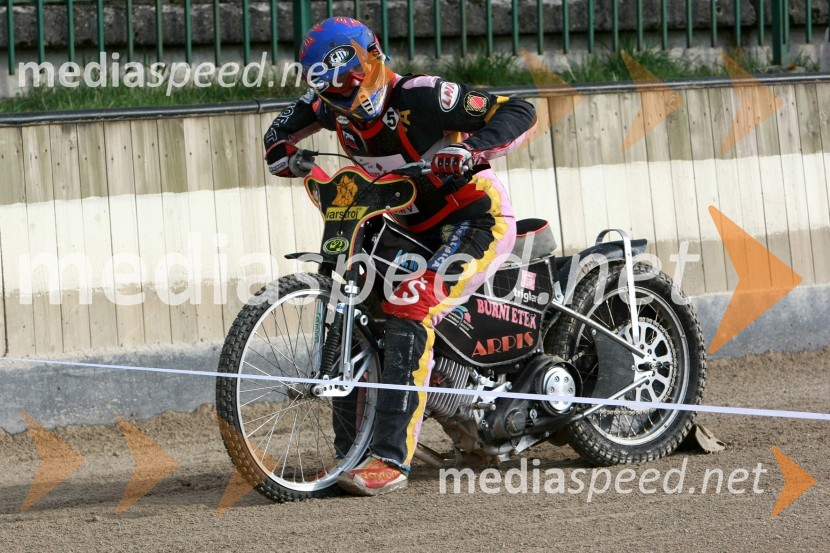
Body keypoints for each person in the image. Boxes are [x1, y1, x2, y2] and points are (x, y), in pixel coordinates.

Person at [263, 16, 536, 496]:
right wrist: (281, 151)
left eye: (352, 78)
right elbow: (279, 131)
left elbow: (517, 109)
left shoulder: (425, 94)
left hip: (474, 219)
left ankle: (390, 459)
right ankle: (348, 454)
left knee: (411, 302)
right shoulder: (328, 104)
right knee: (357, 301)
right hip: (405, 228)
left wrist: (470, 149)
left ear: (373, 59)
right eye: (332, 87)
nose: (346, 93)